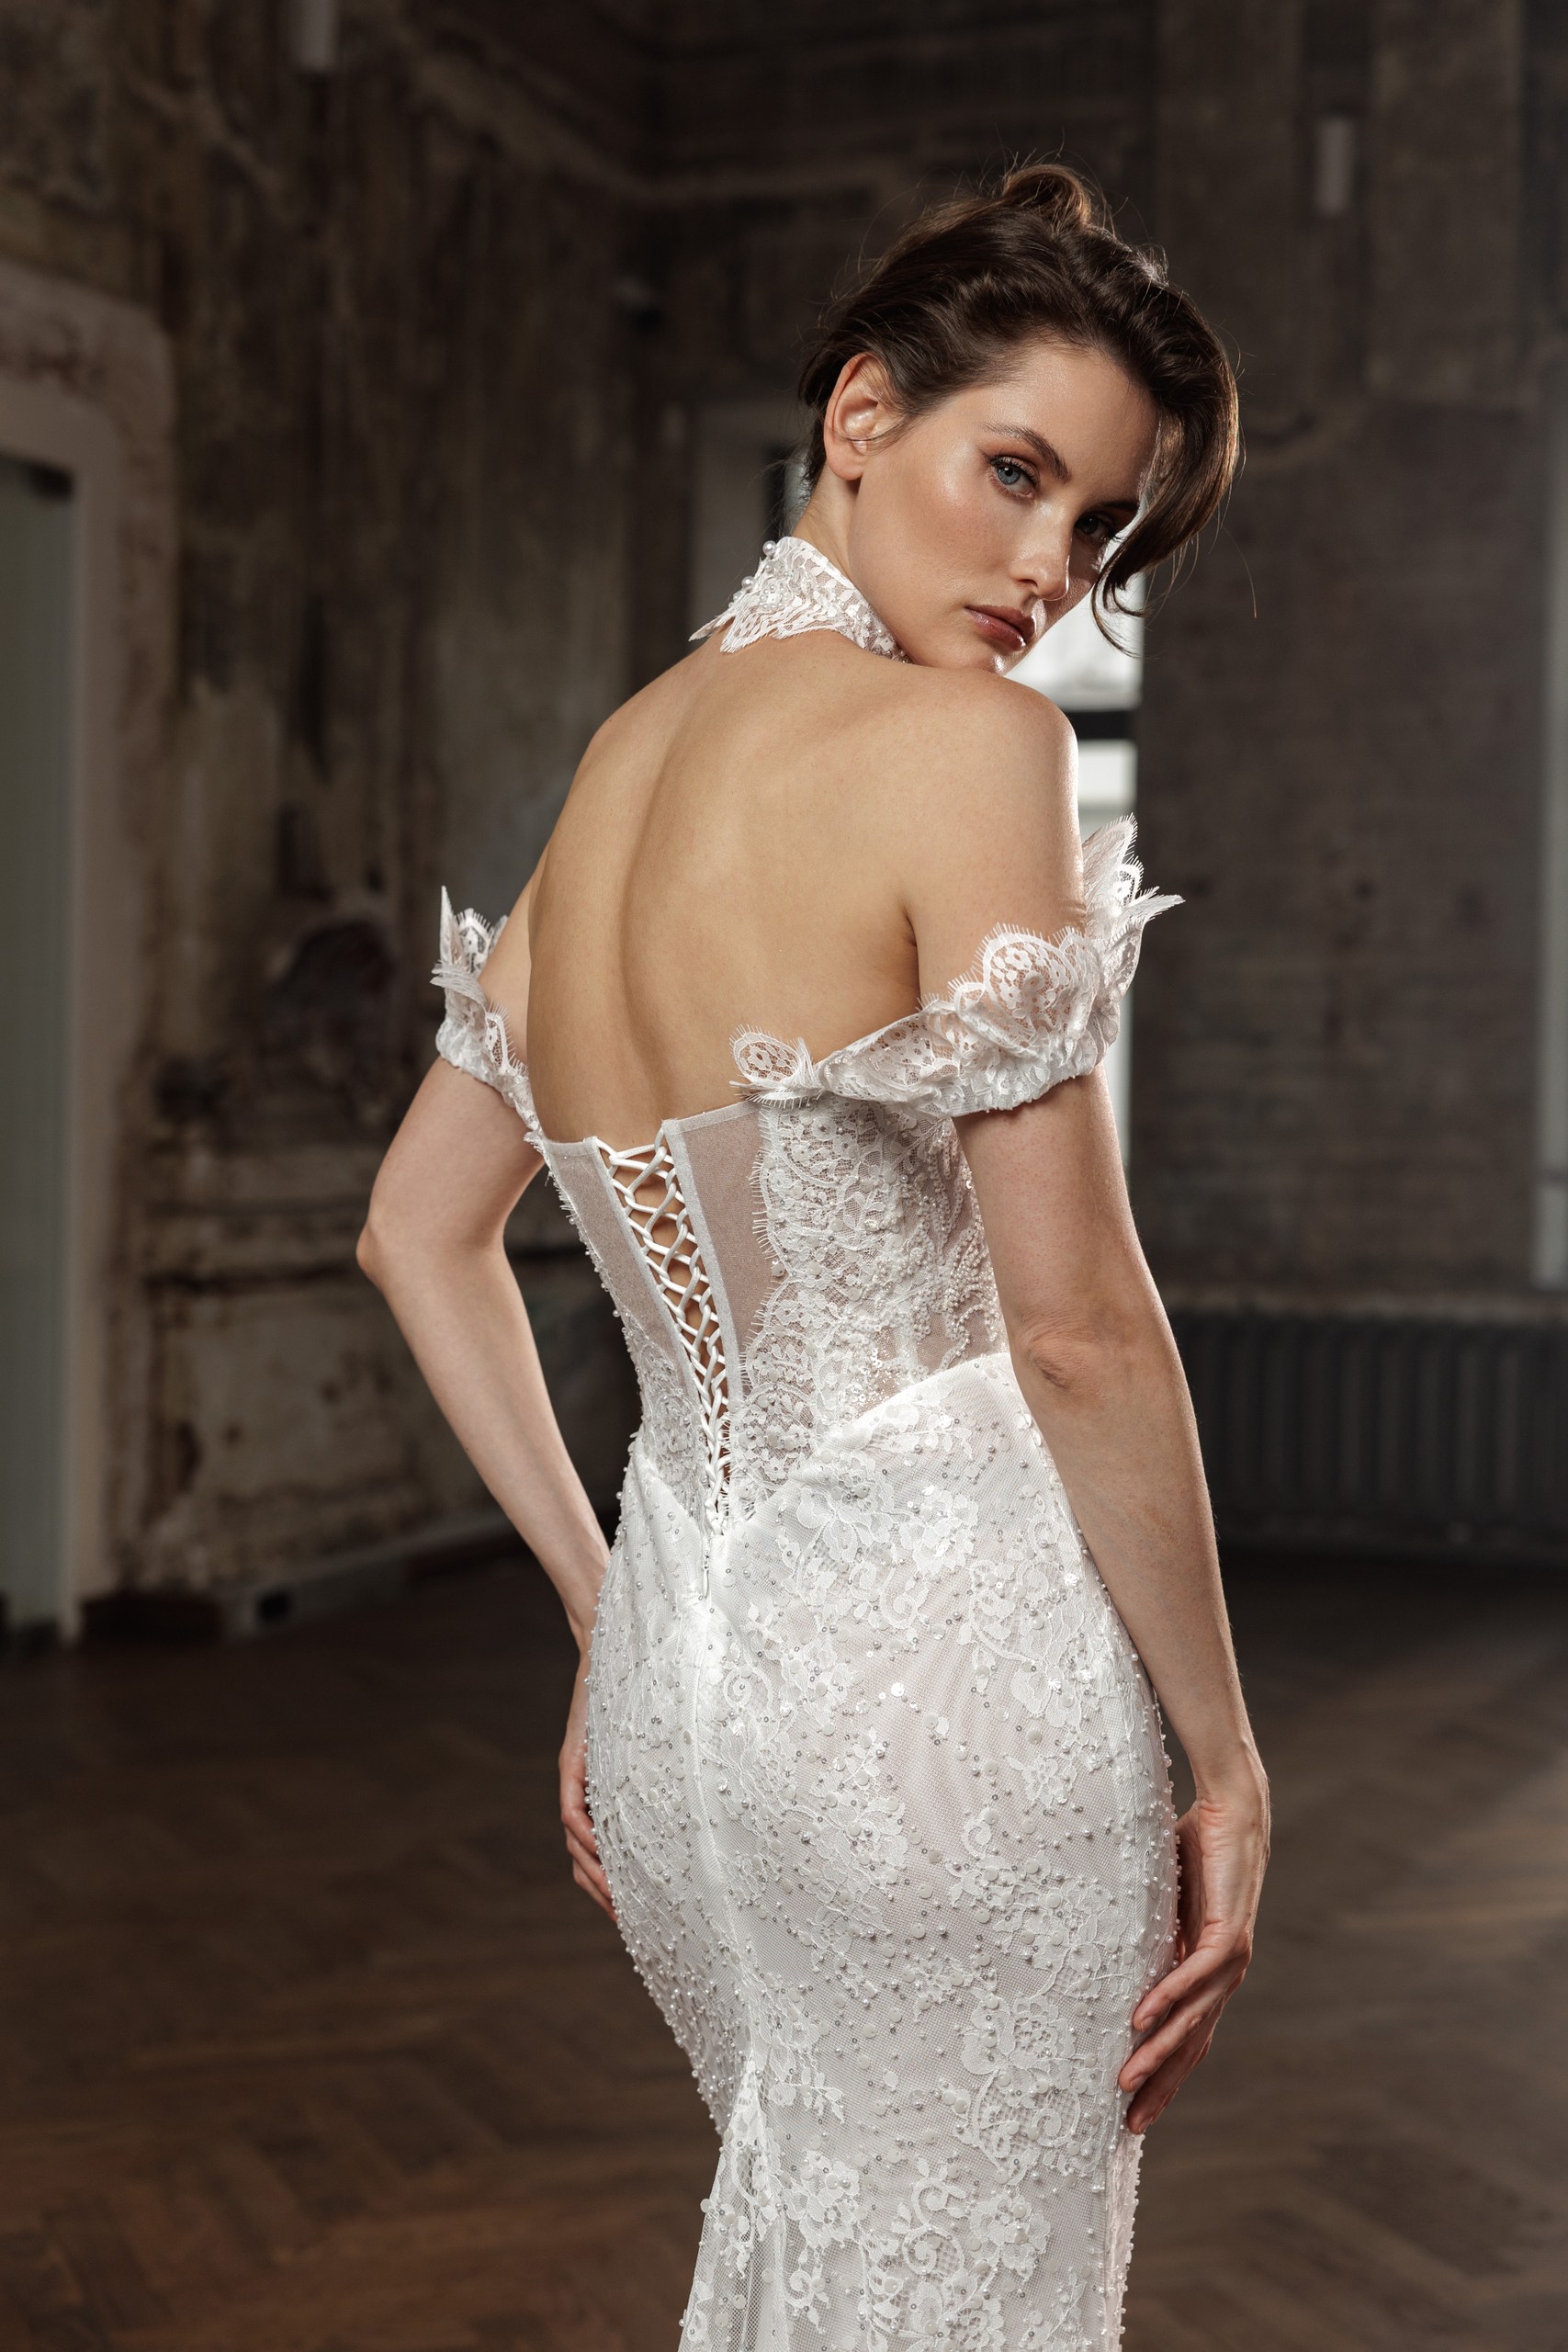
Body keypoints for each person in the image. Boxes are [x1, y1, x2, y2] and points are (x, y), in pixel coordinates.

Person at [358, 163, 1269, 2352]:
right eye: (1014, 473)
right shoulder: (967, 748)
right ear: (860, 413)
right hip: (942, 1703)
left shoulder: (618, 764)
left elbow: (413, 1228)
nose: (1049, 574)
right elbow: (1073, 1325)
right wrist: (1224, 1757)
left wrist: (607, 1608)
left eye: (1097, 531)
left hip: (686, 1699)